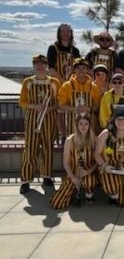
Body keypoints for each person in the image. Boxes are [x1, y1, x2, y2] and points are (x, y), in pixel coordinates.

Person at [19, 55, 61, 194]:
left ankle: (46, 176)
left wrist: (50, 108)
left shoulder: (54, 82)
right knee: (30, 149)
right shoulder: (27, 82)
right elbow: (22, 102)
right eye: (37, 63)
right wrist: (34, 106)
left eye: (42, 63)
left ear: (46, 65)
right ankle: (25, 180)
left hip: (49, 118)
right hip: (32, 119)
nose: (40, 66)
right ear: (34, 65)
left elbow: (59, 102)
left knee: (48, 147)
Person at [51, 115, 98, 208]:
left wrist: (87, 172)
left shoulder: (94, 139)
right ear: (76, 125)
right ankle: (72, 193)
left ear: (89, 125)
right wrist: (72, 177)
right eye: (80, 124)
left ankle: (89, 193)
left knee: (90, 181)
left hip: (89, 172)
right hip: (73, 172)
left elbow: (98, 161)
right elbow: (66, 162)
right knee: (56, 204)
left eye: (86, 124)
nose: (83, 126)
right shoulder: (69, 140)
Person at [47, 23, 80, 144]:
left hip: (72, 85)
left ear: (71, 33)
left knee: (70, 109)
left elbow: (78, 68)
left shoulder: (75, 50)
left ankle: (72, 133)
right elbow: (51, 68)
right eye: (63, 32)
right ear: (59, 33)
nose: (65, 34)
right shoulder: (53, 48)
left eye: (68, 32)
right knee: (59, 110)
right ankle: (62, 134)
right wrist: (63, 81)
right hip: (57, 84)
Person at [58, 58, 102, 136]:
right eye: (78, 68)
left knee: (88, 146)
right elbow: (61, 105)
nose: (81, 70)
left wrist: (89, 109)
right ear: (74, 70)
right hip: (72, 124)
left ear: (87, 70)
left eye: (84, 68)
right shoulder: (67, 86)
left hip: (89, 124)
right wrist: (75, 109)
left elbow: (97, 106)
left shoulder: (93, 87)